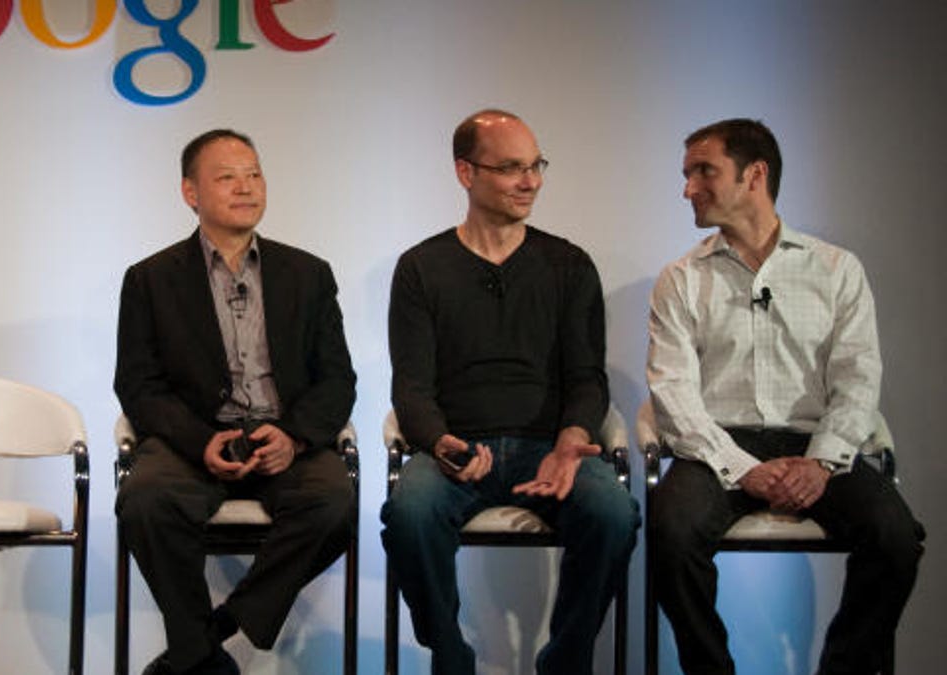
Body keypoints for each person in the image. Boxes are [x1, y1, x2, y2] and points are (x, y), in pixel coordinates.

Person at [647, 118, 924, 675]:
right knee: (670, 533)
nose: (687, 188)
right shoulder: (680, 278)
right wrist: (743, 467)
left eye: (704, 171)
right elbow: (672, 391)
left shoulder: (836, 269)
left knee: (896, 538)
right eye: (686, 174)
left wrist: (822, 461)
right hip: (716, 449)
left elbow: (857, 378)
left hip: (813, 445)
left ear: (755, 175)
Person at [381, 109, 639, 675]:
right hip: (458, 448)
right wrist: (442, 442)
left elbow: (587, 378)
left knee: (613, 513)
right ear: (465, 173)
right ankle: (451, 658)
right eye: (512, 168)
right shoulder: (421, 268)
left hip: (548, 446)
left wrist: (571, 441)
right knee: (408, 514)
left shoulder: (567, 265)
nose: (531, 182)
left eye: (536, 166)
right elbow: (412, 387)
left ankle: (565, 663)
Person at [114, 129, 356, 675]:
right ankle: (204, 657)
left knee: (334, 504)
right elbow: (137, 384)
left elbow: (338, 379)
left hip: (282, 438)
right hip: (194, 440)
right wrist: (202, 441)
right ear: (190, 192)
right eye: (227, 177)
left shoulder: (308, 274)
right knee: (145, 501)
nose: (246, 187)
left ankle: (204, 639)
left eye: (254, 174)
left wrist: (293, 436)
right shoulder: (150, 279)